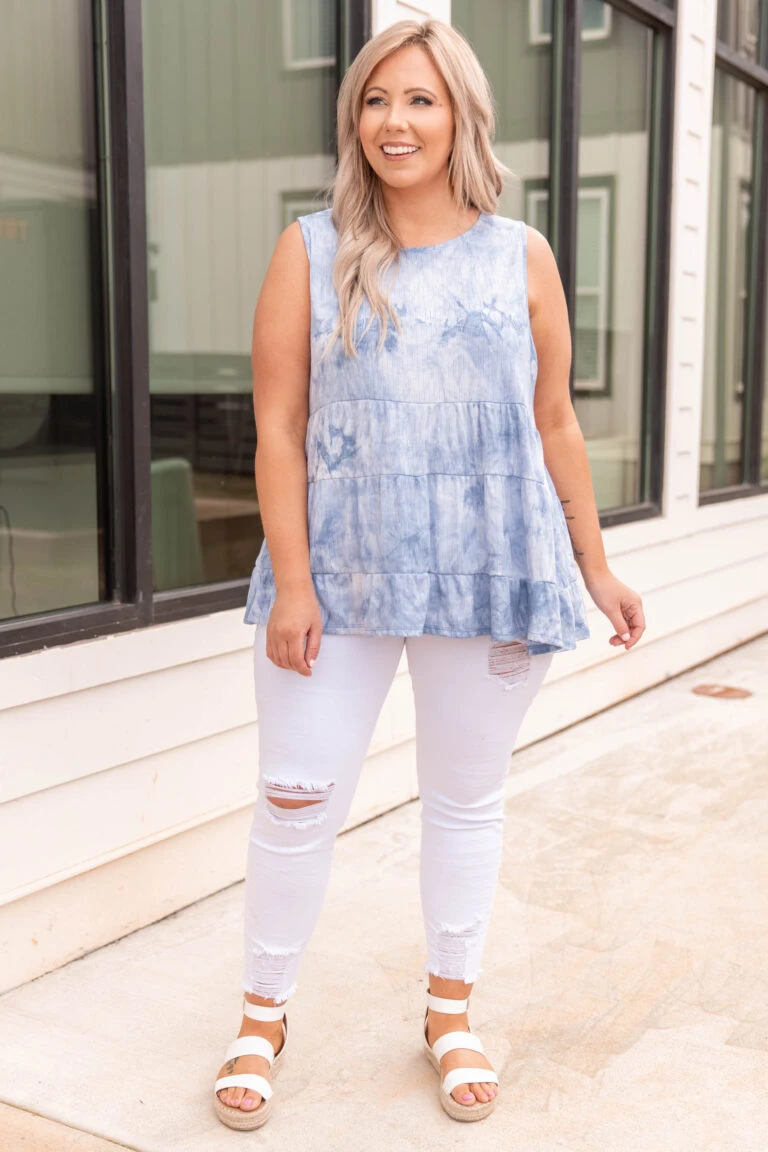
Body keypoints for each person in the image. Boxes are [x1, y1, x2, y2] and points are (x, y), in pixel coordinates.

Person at [213, 16, 645, 1131]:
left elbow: (555, 420)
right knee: (297, 797)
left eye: (419, 100)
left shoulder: (522, 254)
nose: (394, 122)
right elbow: (278, 429)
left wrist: (596, 565)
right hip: (338, 575)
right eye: (374, 100)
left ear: (462, 117)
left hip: (493, 568)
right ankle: (262, 1015)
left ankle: (450, 1013)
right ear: (353, 119)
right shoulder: (309, 250)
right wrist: (294, 582)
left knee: (463, 802)